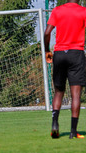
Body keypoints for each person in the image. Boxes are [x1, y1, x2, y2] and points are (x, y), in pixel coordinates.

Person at [44, 0, 86, 139]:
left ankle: (55, 126)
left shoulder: (57, 10)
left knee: (58, 91)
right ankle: (73, 132)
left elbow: (47, 33)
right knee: (76, 94)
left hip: (60, 54)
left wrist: (47, 51)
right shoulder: (83, 11)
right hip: (76, 54)